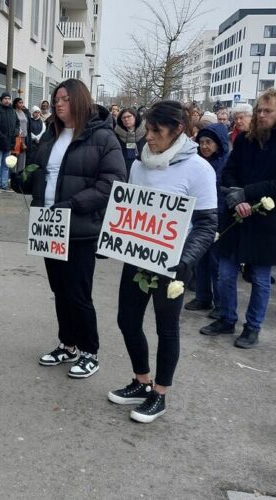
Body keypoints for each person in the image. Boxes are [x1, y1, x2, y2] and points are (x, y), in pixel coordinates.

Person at [109, 101, 217, 423]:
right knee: (127, 320)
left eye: (157, 131)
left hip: (172, 265)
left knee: (166, 328)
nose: (149, 138)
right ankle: (141, 381)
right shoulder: (139, 165)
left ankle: (161, 392)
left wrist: (186, 260)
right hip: (137, 258)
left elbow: (207, 223)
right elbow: (128, 211)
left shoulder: (199, 169)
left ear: (178, 131)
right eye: (148, 130)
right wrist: (111, 238)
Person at [26, 78, 125, 378]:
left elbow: (112, 184)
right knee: (59, 289)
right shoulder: (51, 135)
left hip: (80, 228)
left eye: (65, 99)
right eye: (56, 99)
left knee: (78, 292)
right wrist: (25, 181)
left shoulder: (103, 138)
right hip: (48, 226)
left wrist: (75, 204)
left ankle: (89, 350)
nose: (58, 104)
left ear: (80, 101)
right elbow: (40, 172)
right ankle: (67, 344)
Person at [200, 89, 276, 348]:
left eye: (267, 111)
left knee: (260, 278)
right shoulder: (247, 140)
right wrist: (237, 197)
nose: (261, 115)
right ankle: (227, 318)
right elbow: (229, 172)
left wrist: (247, 194)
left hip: (268, 220)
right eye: (259, 110)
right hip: (237, 214)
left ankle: (252, 326)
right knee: (226, 274)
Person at [184, 122, 230, 317]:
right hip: (198, 217)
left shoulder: (227, 163)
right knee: (200, 259)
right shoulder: (197, 163)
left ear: (219, 143)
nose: (204, 146)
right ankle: (203, 297)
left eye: (209, 142)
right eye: (201, 142)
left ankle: (220, 304)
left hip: (220, 218)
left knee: (216, 264)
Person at [114, 107, 146, 175]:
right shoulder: (116, 134)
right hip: (123, 169)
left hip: (143, 169)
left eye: (129, 116)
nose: (126, 119)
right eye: (123, 117)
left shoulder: (145, 133)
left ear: (135, 117)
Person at [12, 97, 30, 183]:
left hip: (24, 137)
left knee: (22, 158)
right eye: (19, 102)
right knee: (15, 157)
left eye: (22, 102)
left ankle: (20, 177)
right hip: (16, 137)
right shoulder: (13, 112)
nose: (21, 104)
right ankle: (13, 177)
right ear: (15, 104)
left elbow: (27, 124)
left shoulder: (24, 112)